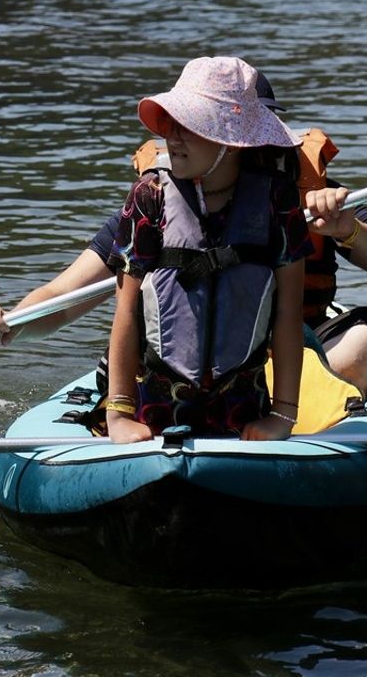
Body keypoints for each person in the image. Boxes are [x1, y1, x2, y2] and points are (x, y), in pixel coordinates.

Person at [0, 69, 367, 399]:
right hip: (187, 359)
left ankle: (314, 420)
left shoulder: (306, 195)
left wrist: (351, 231)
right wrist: (9, 325)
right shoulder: (153, 204)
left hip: (298, 355)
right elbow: (65, 294)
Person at [99, 56, 310, 443]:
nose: (172, 137)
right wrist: (119, 416)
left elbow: (288, 313)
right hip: (157, 413)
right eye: (171, 125)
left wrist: (282, 416)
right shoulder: (150, 197)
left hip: (244, 412)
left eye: (189, 126)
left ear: (230, 143)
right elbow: (126, 310)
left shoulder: (278, 200)